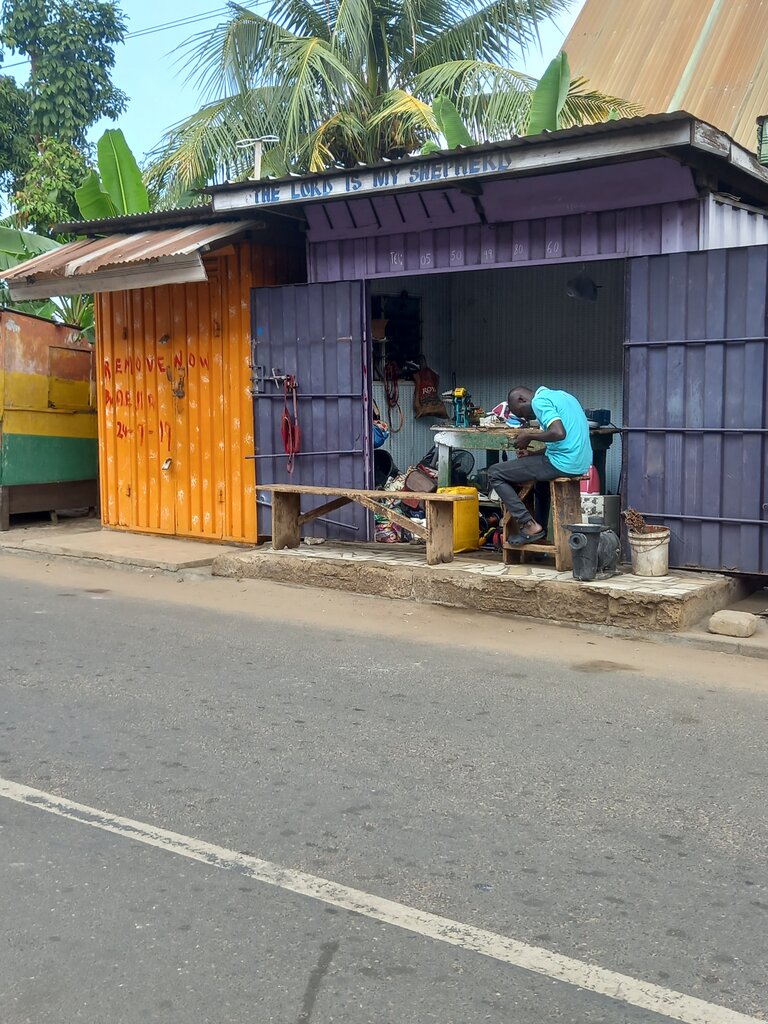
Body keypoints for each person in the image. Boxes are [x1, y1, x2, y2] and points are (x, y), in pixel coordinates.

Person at [487, 385, 592, 544]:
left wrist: (529, 436)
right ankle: (540, 531)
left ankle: (527, 524)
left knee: (494, 473)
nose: (528, 418)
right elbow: (563, 441)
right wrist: (531, 455)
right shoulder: (563, 396)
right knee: (540, 483)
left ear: (522, 399)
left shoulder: (539, 401)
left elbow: (558, 433)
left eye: (521, 413)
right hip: (579, 463)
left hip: (562, 463)